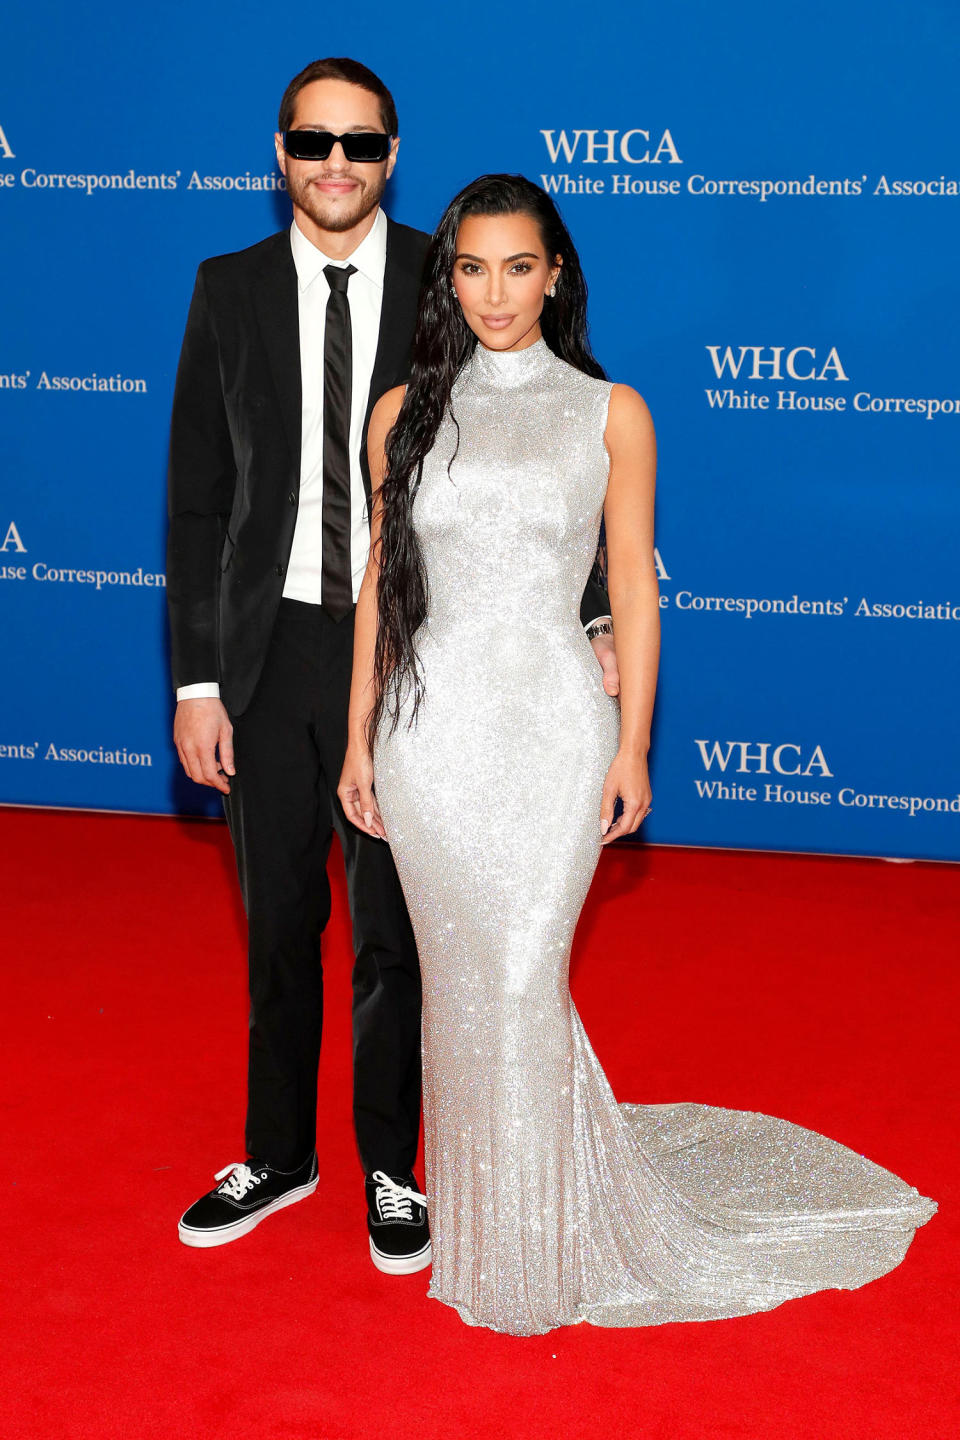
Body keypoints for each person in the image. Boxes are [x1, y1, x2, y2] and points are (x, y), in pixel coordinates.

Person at [338, 174, 936, 1335]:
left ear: (556, 272)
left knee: (521, 976)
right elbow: (380, 587)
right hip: (430, 735)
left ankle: (538, 1241)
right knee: (465, 985)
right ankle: (496, 1221)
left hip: (557, 726)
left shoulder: (612, 411)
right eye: (471, 268)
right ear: (445, 277)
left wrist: (633, 742)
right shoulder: (401, 411)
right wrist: (361, 731)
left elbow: (631, 590)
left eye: (519, 267)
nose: (495, 293)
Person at [166, 63, 616, 1270]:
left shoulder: (451, 269)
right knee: (276, 921)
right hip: (268, 652)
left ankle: (389, 1166)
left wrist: (594, 611)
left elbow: (546, 458)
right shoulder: (228, 290)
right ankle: (276, 1151)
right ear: (280, 152)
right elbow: (201, 501)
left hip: (412, 661)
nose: (336, 160)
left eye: (359, 141)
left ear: (391, 153)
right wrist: (197, 680)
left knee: (392, 936)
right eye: (315, 139)